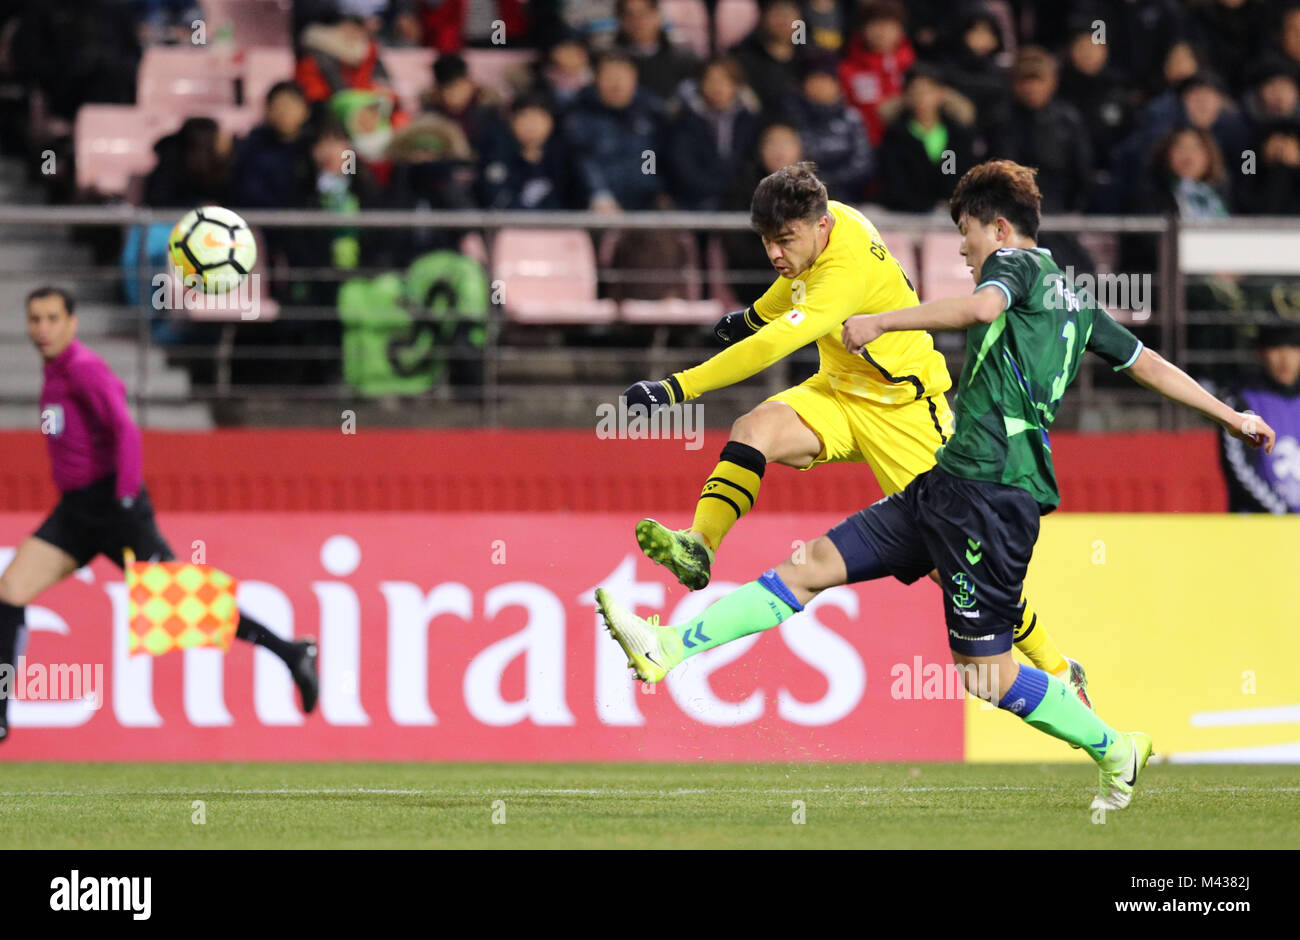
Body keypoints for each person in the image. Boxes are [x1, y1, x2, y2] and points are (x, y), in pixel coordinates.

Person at [598, 159, 1276, 810]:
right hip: (949, 482)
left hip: (994, 494)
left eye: (967, 234)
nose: (962, 249)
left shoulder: (1013, 266)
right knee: (808, 569)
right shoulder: (1077, 301)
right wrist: (1232, 416)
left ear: (1000, 230)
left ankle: (1112, 744)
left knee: (986, 674)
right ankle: (665, 648)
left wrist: (884, 319)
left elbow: (981, 309)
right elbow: (1148, 363)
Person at [618, 162, 1091, 701]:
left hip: (904, 411)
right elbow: (792, 287)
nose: (775, 253)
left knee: (953, 564)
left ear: (819, 228)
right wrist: (752, 315)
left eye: (785, 240)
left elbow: (776, 345)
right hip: (839, 391)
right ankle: (699, 545)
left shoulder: (844, 269)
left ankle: (1058, 668)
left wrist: (677, 388)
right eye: (767, 241)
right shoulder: (830, 223)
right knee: (754, 428)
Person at [0, 288, 320, 743]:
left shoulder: (85, 370)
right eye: (35, 319)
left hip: (114, 507)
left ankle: (291, 653)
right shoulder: (54, 374)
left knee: (186, 608)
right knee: (10, 591)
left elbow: (126, 431)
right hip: (75, 513)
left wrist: (126, 499)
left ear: (73, 323)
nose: (42, 328)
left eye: (52, 318)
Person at [1220, 321, 1300, 513]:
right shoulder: (1240, 401)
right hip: (1256, 526)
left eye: (1293, 348)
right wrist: (1283, 514)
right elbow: (1241, 471)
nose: (1285, 359)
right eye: (1275, 348)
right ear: (1260, 353)